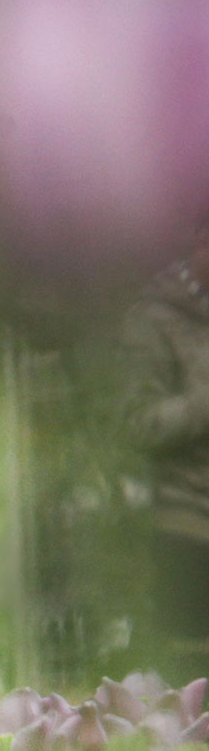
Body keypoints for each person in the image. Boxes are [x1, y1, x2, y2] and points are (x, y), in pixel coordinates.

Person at [127, 220, 209, 679]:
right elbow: (139, 424)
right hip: (189, 529)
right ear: (201, 241)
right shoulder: (153, 321)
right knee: (194, 686)